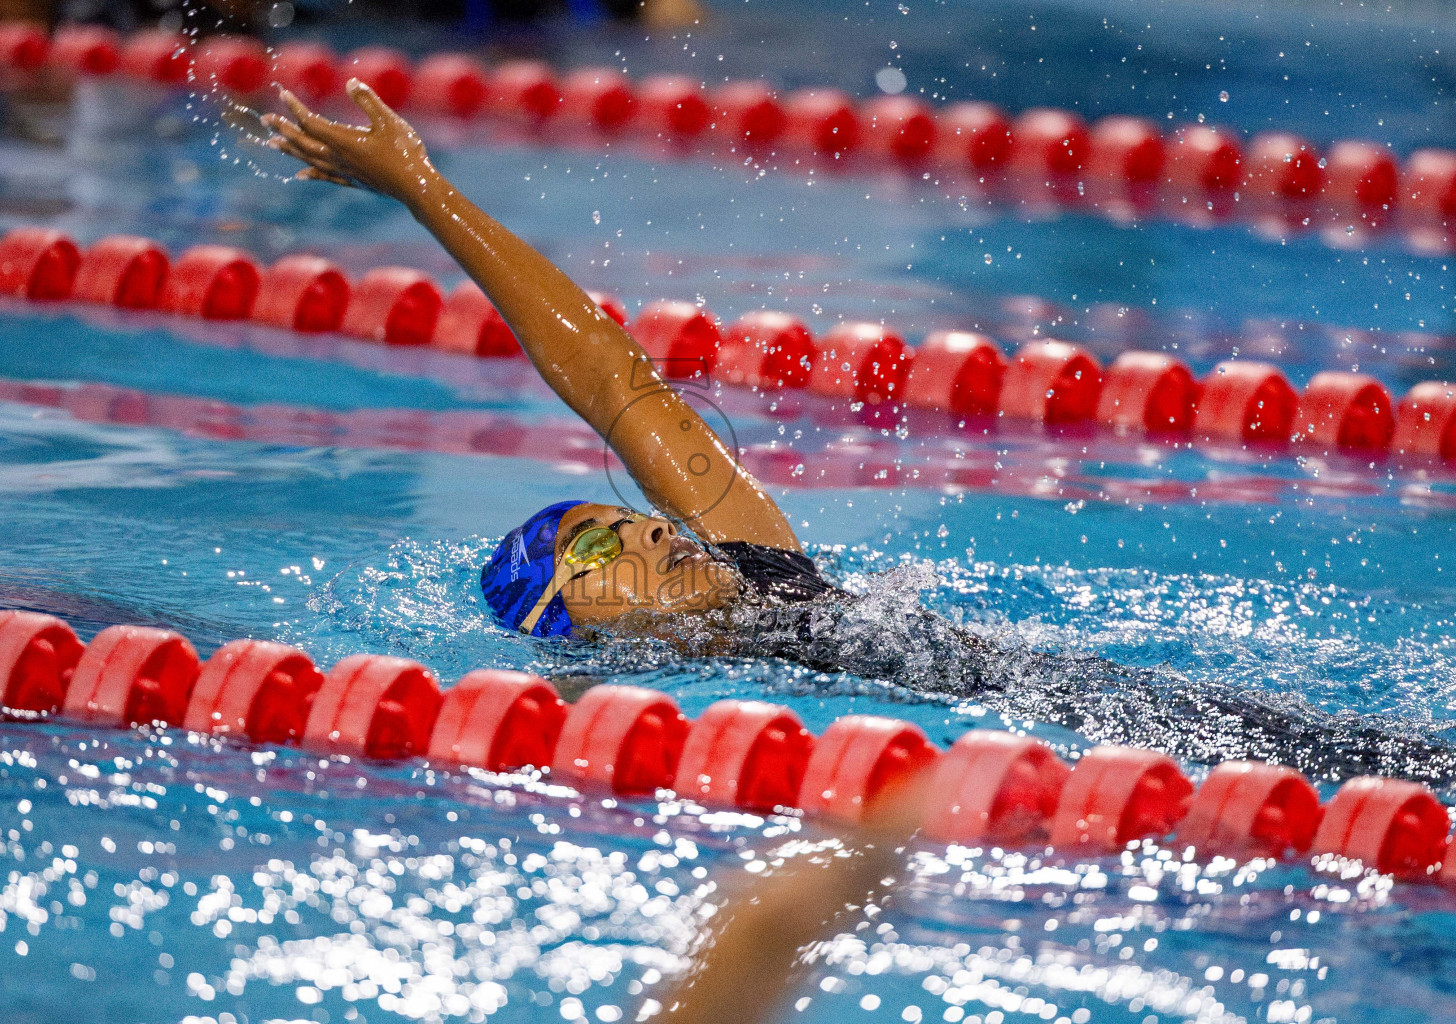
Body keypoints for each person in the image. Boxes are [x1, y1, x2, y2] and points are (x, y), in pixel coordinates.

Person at [262, 80, 1456, 795]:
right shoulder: (642, 724)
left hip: (1126, 710)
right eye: (593, 545)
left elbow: (617, 383)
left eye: (621, 513)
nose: (637, 525)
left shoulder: (771, 583)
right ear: (571, 631)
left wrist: (427, 191)